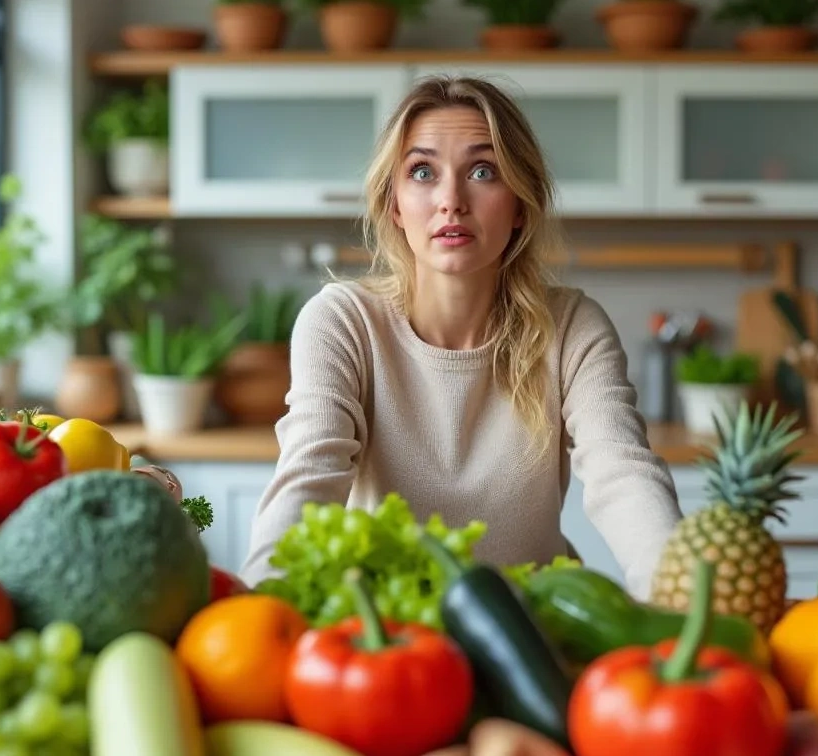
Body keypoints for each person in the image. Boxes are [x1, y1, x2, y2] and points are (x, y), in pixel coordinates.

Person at [238, 74, 681, 600]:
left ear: (520, 205)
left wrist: (680, 594)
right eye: (423, 172)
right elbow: (309, 476)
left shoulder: (571, 327)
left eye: (483, 171)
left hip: (533, 623)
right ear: (395, 205)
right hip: (388, 629)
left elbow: (623, 473)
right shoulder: (343, 323)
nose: (451, 200)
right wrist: (261, 606)